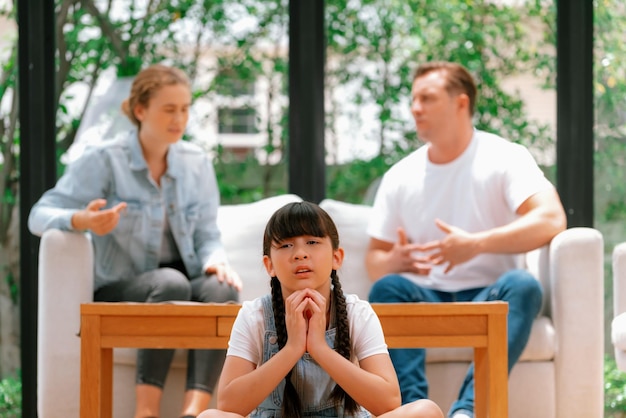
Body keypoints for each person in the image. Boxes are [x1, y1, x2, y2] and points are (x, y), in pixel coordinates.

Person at [28, 64, 242, 418]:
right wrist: (82, 220)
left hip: (181, 278)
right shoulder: (104, 160)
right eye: (169, 109)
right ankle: (147, 413)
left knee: (221, 289)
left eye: (186, 109)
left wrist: (215, 258)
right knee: (171, 283)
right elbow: (39, 212)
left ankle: (195, 412)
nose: (180, 119)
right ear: (140, 110)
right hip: (122, 285)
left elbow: (207, 233)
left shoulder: (196, 163)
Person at [365, 61, 567, 418]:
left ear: (461, 103)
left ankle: (466, 410)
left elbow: (552, 218)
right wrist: (394, 260)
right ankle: (415, 408)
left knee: (524, 285)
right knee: (387, 289)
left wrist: (476, 244)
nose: (415, 108)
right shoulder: (399, 175)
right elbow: (374, 261)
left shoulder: (505, 157)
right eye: (413, 99)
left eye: (426, 98)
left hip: (488, 295)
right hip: (422, 296)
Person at [198, 201, 444, 418]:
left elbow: (389, 402)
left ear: (337, 258)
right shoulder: (255, 315)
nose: (300, 254)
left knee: (426, 412)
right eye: (285, 246)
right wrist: (293, 348)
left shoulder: (357, 312)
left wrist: (319, 348)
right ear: (269, 265)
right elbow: (228, 404)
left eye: (312, 242)